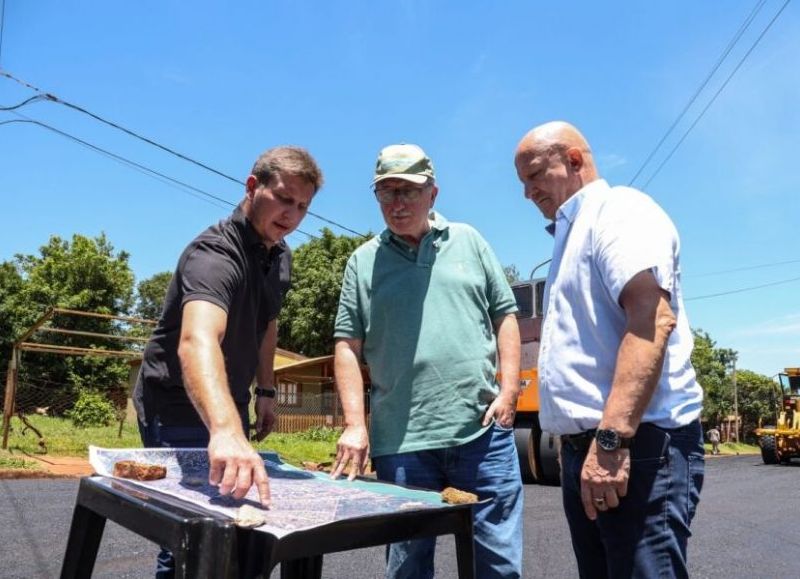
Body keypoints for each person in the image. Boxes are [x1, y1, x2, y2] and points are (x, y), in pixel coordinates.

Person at [514, 121, 704, 579]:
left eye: (535, 175)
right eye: (523, 182)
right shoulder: (572, 235)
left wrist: (610, 441)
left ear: (574, 160)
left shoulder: (619, 211)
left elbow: (651, 319)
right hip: (596, 448)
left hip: (635, 446)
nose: (528, 192)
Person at [331, 143, 524, 579]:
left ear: (432, 194)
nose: (397, 203)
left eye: (409, 191)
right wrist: (355, 424)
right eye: (387, 192)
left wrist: (510, 390)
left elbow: (505, 316)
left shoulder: (469, 241)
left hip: (482, 433)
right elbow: (346, 345)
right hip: (403, 442)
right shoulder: (363, 262)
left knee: (497, 566)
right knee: (407, 568)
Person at [133, 146, 323, 578]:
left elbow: (267, 322)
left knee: (239, 523)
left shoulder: (280, 256)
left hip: (233, 399)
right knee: (193, 530)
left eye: (303, 206)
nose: (292, 214)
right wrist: (225, 431)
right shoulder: (215, 253)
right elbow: (196, 340)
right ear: (253, 186)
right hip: (176, 403)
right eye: (284, 198)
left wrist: (266, 391)